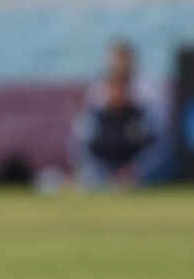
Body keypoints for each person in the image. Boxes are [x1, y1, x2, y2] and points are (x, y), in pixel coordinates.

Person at [70, 41, 170, 189]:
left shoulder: (147, 95)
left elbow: (157, 140)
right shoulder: (97, 98)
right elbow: (84, 142)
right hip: (104, 169)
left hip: (138, 166)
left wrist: (135, 168)